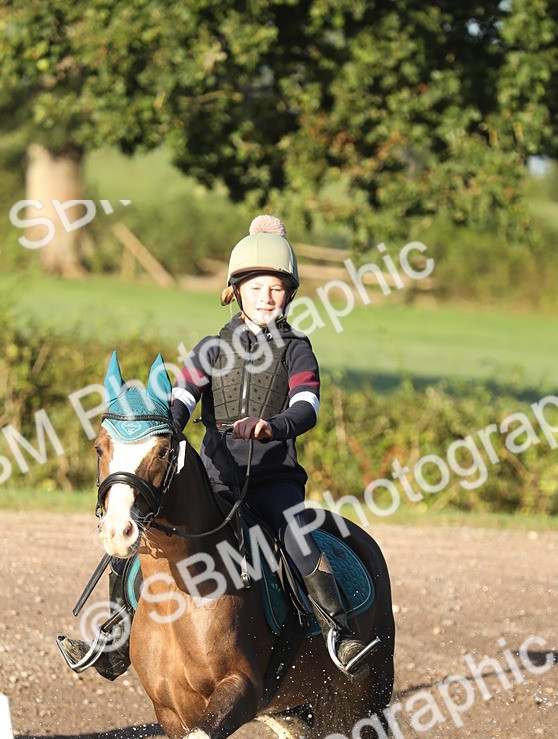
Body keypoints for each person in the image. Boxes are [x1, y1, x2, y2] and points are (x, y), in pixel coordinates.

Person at [58, 215, 376, 680]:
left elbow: (307, 407)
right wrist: (162, 428)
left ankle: (340, 634)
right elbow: (182, 400)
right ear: (236, 291)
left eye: (276, 288)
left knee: (297, 539)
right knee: (141, 533)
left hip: (274, 482)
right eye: (256, 287)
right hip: (213, 478)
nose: (266, 297)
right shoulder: (210, 349)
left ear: (289, 295)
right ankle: (116, 641)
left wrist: (272, 426)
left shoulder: (297, 349)